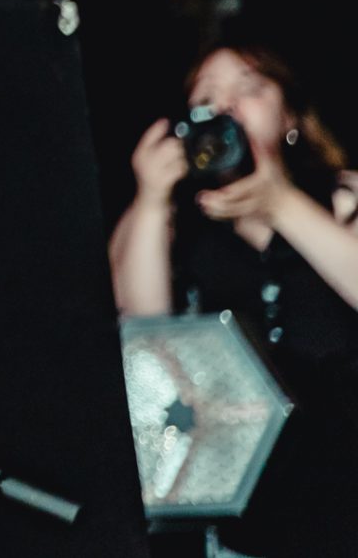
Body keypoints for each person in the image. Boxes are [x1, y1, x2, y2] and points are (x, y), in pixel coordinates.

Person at [109, 42, 358, 556]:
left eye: (249, 89)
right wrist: (150, 198)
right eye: (206, 98)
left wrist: (280, 203)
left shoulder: (343, 197)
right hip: (243, 519)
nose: (226, 107)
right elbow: (141, 337)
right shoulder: (176, 227)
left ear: (290, 118)